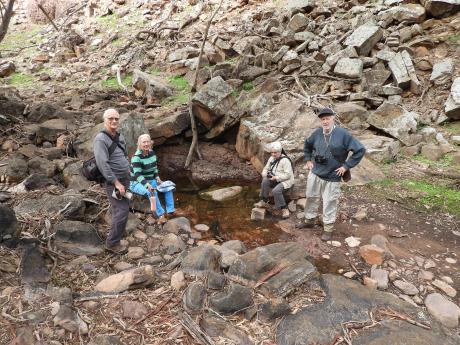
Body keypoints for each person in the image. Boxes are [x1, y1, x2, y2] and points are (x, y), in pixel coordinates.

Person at [297, 107, 365, 241]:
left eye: (327, 118)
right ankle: (309, 221)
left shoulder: (343, 134)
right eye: (323, 119)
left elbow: (360, 150)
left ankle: (328, 229)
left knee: (329, 202)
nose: (325, 121)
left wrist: (346, 166)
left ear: (333, 118)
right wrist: (307, 159)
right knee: (311, 197)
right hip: (315, 173)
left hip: (333, 177)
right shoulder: (317, 133)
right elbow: (307, 146)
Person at [94, 108, 130, 254]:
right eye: (111, 119)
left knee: (122, 207)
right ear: (105, 120)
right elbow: (102, 164)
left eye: (116, 118)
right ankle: (112, 243)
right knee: (122, 211)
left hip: (125, 178)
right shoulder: (100, 139)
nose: (114, 121)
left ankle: (117, 232)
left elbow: (124, 154)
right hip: (114, 182)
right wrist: (116, 183)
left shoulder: (119, 136)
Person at [129, 134, 175, 224]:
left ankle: (170, 211)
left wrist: (157, 178)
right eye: (144, 142)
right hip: (136, 182)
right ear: (139, 144)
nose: (146, 144)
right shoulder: (136, 158)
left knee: (168, 186)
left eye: (148, 142)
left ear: (150, 143)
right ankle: (160, 215)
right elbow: (138, 174)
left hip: (151, 180)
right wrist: (147, 185)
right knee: (151, 192)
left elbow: (154, 168)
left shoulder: (152, 153)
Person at [254, 141, 294, 219]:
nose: (273, 154)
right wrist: (264, 174)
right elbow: (266, 168)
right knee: (265, 181)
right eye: (272, 152)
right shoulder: (272, 158)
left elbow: (288, 175)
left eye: (275, 152)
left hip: (285, 181)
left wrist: (276, 177)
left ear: (280, 151)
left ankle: (284, 208)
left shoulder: (285, 160)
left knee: (276, 191)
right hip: (274, 178)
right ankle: (263, 200)